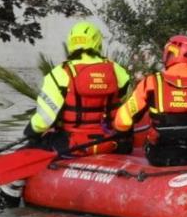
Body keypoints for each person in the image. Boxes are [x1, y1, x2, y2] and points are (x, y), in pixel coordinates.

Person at [112, 34, 187, 167]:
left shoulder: (150, 83)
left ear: (171, 54)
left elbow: (122, 121)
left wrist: (123, 136)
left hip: (160, 156)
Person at [21, 21, 132, 156]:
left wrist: (30, 132)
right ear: (97, 43)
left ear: (71, 44)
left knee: (34, 143)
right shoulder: (118, 71)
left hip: (72, 144)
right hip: (111, 142)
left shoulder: (59, 73)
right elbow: (130, 109)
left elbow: (44, 119)